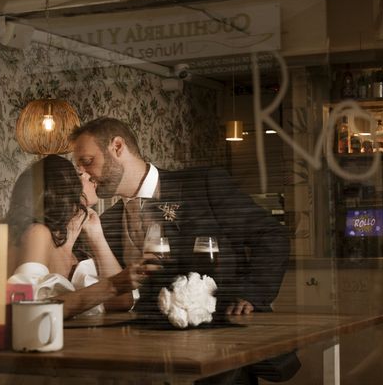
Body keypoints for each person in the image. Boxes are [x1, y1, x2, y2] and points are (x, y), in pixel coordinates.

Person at [70, 117, 300, 384]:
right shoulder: (107, 223)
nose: (85, 174)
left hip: (224, 357)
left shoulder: (202, 185)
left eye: (87, 161)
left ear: (118, 147)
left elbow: (271, 235)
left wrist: (250, 293)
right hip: (151, 362)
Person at [5, 154, 156, 319]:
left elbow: (122, 302)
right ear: (61, 187)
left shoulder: (79, 248)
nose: (89, 176)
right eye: (78, 174)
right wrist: (112, 285)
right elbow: (23, 310)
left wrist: (97, 238)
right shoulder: (38, 233)